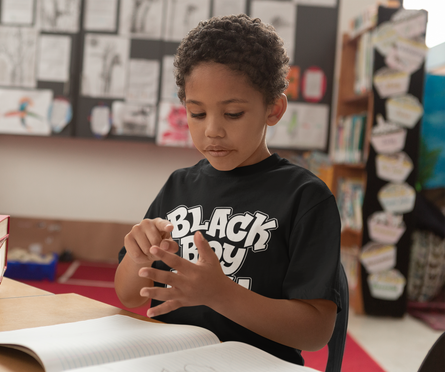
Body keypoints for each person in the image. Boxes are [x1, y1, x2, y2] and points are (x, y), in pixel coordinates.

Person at [114, 14, 342, 366]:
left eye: (233, 114)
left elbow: (315, 333)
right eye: (197, 114)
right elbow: (128, 295)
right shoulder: (179, 184)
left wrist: (221, 294)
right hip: (170, 361)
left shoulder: (304, 197)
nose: (213, 131)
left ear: (274, 109)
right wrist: (138, 256)